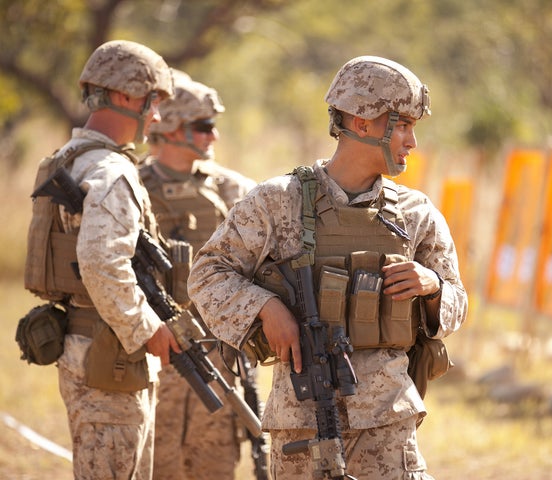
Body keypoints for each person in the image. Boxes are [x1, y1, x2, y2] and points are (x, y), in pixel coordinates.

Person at [187, 55, 468, 479]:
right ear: (362, 122)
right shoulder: (277, 200)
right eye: (404, 125)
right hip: (302, 419)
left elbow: (457, 302)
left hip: (387, 422)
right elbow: (207, 273)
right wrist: (265, 307)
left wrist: (432, 288)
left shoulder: (415, 213)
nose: (412, 142)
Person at [23, 40, 180, 479]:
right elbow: (100, 263)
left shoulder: (73, 160)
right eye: (153, 102)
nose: (157, 116)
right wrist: (148, 328)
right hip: (109, 356)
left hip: (88, 341)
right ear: (126, 97)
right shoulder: (112, 171)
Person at [139, 73, 263, 479]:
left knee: (215, 463)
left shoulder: (232, 189)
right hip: (155, 349)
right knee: (156, 462)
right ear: (170, 127)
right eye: (203, 126)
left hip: (219, 353)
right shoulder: (133, 187)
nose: (213, 136)